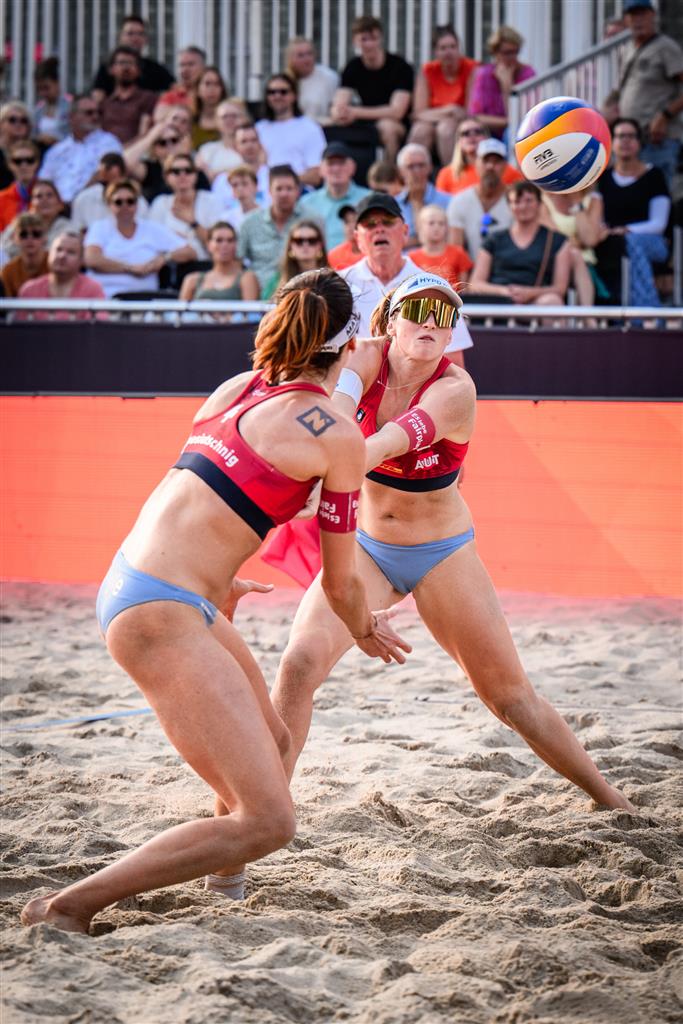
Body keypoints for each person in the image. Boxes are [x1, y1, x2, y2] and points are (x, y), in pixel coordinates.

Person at [20, 268, 409, 935]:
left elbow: (200, 486)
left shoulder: (239, 387)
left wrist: (219, 579)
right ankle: (66, 908)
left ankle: (223, 883)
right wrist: (363, 627)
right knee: (270, 821)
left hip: (143, 580)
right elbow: (340, 582)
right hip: (160, 612)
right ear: (351, 344)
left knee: (276, 740)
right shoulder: (334, 433)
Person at [260, 272, 635, 848]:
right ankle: (264, 811)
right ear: (392, 319)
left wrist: (329, 468)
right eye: (419, 311)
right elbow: (336, 410)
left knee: (509, 698)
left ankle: (611, 799)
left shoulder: (455, 389)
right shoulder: (364, 356)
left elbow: (386, 443)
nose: (431, 323)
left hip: (441, 553)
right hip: (369, 548)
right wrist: (317, 456)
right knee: (298, 665)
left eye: (445, 315)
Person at [340, 192, 473, 367]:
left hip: (414, 383)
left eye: (387, 221)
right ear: (357, 237)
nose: (379, 229)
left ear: (405, 232)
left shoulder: (434, 288)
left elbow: (453, 364)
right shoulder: (338, 286)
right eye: (370, 224)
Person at [595, 118, 671, 307]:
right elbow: (597, 217)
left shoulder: (654, 176)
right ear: (612, 142)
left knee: (632, 243)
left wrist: (626, 230)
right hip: (612, 242)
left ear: (639, 142)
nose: (626, 141)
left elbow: (659, 224)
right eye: (620, 136)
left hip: (652, 242)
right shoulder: (603, 178)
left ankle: (647, 313)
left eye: (631, 136)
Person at [84, 178, 194, 298]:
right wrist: (129, 268)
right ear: (109, 205)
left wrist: (163, 259)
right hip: (106, 297)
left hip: (145, 299)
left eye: (130, 201)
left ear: (137, 204)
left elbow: (189, 252)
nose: (125, 206)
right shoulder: (100, 227)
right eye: (118, 202)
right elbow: (91, 259)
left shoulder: (151, 228)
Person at [468, 181, 570, 306]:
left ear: (539, 204)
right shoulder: (493, 239)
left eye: (528, 201)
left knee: (552, 301)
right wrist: (505, 291)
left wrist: (530, 293)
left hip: (535, 302)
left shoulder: (557, 240)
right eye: (517, 202)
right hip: (498, 302)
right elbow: (475, 283)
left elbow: (560, 288)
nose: (522, 206)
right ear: (509, 206)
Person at [616, 0, 683, 188]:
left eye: (642, 14)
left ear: (653, 15)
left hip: (657, 140)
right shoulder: (629, 48)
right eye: (633, 15)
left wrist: (664, 116)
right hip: (633, 140)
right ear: (626, 20)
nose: (638, 20)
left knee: (658, 196)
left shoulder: (665, 47)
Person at [332, 15, 414, 163]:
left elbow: (397, 111)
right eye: (364, 39)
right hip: (365, 121)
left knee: (388, 128)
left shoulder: (400, 66)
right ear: (355, 41)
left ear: (380, 39)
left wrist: (355, 112)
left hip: (398, 124)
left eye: (373, 39)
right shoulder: (352, 67)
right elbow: (340, 100)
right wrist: (339, 112)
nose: (369, 44)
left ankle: (389, 172)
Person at [408, 24, 478, 167]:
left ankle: (451, 174)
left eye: (453, 47)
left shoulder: (472, 68)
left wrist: (447, 114)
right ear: (435, 52)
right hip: (434, 121)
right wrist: (450, 110)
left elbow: (468, 112)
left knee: (446, 129)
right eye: (443, 48)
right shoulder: (427, 70)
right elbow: (418, 113)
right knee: (420, 130)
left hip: (462, 121)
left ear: (459, 48)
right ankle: (409, 174)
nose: (449, 52)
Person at [39, 94, 122, 203]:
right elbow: (44, 181)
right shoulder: (56, 151)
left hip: (93, 202)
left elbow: (107, 174)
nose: (95, 117)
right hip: (57, 207)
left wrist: (77, 200)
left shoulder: (109, 143)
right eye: (89, 113)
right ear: (72, 116)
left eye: (98, 112)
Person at [237, 164, 304, 290]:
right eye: (279, 189)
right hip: (257, 294)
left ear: (298, 191)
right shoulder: (250, 222)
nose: (284, 194)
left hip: (300, 291)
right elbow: (237, 260)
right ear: (269, 191)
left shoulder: (312, 219)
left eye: (289, 188)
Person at [149, 152, 223, 260]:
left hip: (205, 263)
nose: (182, 175)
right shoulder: (160, 203)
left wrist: (193, 223)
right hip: (170, 264)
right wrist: (176, 241)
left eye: (188, 170)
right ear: (166, 177)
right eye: (176, 171)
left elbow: (220, 244)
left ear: (196, 174)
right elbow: (152, 240)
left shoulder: (211, 201)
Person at [255, 73, 326, 187]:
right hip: (260, 192)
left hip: (299, 191)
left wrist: (282, 182)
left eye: (283, 92)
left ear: (294, 95)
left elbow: (316, 175)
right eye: (271, 92)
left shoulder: (309, 128)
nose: (277, 96)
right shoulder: (258, 128)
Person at [447, 138, 513, 259]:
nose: (490, 166)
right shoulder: (460, 201)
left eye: (496, 162)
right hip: (471, 268)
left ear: (505, 166)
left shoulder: (516, 200)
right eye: (485, 160)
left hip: (509, 267)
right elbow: (455, 250)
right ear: (476, 164)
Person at [16, 230, 105, 318]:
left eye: (71, 252)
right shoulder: (29, 290)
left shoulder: (93, 290)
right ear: (49, 254)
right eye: (58, 250)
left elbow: (97, 325)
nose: (62, 256)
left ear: (81, 261)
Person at [468, 25, 536, 140]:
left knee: (512, 132)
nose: (512, 57)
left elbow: (523, 117)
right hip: (489, 132)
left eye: (515, 52)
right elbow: (476, 116)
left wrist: (506, 85)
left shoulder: (527, 73)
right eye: (507, 53)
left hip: (517, 131)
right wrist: (508, 122)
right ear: (495, 53)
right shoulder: (484, 74)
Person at [539, 189, 606, 306]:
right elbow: (555, 240)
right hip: (553, 260)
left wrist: (577, 204)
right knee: (573, 253)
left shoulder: (593, 200)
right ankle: (587, 311)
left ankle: (585, 311)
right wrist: (580, 243)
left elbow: (589, 240)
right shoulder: (543, 200)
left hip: (585, 263)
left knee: (575, 255)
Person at [299, 142, 369, 249]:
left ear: (353, 167)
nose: (336, 169)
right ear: (321, 169)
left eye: (341, 163)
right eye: (330, 164)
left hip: (358, 257)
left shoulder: (369, 199)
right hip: (318, 258)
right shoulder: (306, 203)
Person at [123, 114, 207, 203]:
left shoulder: (193, 168)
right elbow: (123, 163)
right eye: (162, 143)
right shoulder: (149, 169)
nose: (169, 145)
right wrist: (150, 137)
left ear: (181, 142)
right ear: (154, 149)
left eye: (174, 140)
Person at [91, 14, 174, 99]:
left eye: (140, 34)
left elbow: (175, 90)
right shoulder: (106, 68)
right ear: (121, 37)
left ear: (146, 39)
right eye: (130, 34)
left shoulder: (157, 70)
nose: (135, 38)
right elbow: (98, 98)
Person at [178, 220, 259, 308]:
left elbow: (250, 312)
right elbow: (180, 313)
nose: (225, 245)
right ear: (209, 245)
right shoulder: (192, 280)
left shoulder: (247, 278)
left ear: (236, 245)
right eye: (219, 240)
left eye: (230, 240)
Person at [435, 117, 523, 195]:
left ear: (486, 137)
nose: (472, 136)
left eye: (477, 132)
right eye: (466, 133)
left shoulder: (505, 170)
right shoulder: (446, 174)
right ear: (459, 141)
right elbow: (440, 205)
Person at [71, 152, 150, 232]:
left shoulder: (139, 203)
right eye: (106, 183)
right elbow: (77, 231)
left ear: (124, 176)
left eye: (116, 183)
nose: (111, 188)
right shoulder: (83, 199)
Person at [1, 178, 72, 266]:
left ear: (60, 204)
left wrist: (22, 246)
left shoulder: (67, 227)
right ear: (31, 206)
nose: (44, 200)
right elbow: (3, 247)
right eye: (39, 196)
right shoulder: (20, 222)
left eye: (49, 195)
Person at [98, 46, 157, 144]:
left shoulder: (148, 98)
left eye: (130, 63)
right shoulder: (104, 104)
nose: (126, 68)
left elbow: (144, 135)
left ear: (138, 70)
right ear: (111, 69)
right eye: (121, 63)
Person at [395, 143, 450, 246]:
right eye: (410, 166)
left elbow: (451, 240)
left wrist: (408, 241)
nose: (417, 171)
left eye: (421, 165)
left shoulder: (448, 201)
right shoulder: (393, 205)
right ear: (401, 171)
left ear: (430, 167)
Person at [261, 219, 328, 299]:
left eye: (312, 241)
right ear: (290, 246)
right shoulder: (277, 280)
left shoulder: (331, 279)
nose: (305, 245)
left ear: (320, 245)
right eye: (299, 241)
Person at [211, 122, 270, 209]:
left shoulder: (272, 176)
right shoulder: (222, 182)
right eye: (244, 141)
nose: (249, 145)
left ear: (260, 144)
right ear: (235, 147)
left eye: (253, 140)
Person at [409, 204, 472, 287]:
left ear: (447, 227)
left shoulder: (458, 253)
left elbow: (465, 289)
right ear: (420, 226)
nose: (436, 227)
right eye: (431, 223)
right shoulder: (411, 258)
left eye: (441, 223)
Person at [285, 37, 339, 124]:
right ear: (290, 59)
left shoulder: (329, 77)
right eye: (300, 55)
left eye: (309, 53)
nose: (307, 59)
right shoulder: (285, 81)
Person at [196, 98, 248, 181]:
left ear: (244, 119)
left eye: (234, 116)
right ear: (216, 121)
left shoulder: (257, 147)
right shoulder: (206, 150)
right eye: (224, 117)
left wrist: (219, 174)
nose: (229, 120)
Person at [0, 212, 48, 296]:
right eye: (23, 234)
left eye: (36, 234)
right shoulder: (8, 271)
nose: (30, 239)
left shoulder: (55, 265)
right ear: (14, 238)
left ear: (45, 238)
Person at [0, 140, 40, 230]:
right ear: (9, 165)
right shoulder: (1, 199)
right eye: (17, 161)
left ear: (37, 163)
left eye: (30, 161)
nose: (24, 166)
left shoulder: (48, 196)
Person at [33, 58, 71, 146]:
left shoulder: (70, 105)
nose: (43, 93)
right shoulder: (38, 109)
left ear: (57, 83)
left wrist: (55, 140)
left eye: (46, 88)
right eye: (39, 89)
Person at [157, 46, 207, 111]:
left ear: (203, 67)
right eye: (182, 65)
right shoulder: (170, 97)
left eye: (190, 64)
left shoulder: (212, 94)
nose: (184, 70)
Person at [191, 67, 229, 149]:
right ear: (197, 90)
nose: (212, 89)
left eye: (216, 84)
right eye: (207, 84)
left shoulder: (230, 120)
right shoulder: (190, 122)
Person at [214, 164, 260, 231]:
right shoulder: (226, 220)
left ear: (256, 187)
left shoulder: (267, 216)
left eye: (244, 183)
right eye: (235, 185)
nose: (240, 189)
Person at [0, 102, 33, 188]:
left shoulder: (38, 150)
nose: (18, 124)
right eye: (12, 120)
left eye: (24, 121)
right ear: (1, 124)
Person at [327, 204, 362, 271]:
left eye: (355, 221)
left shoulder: (374, 253)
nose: (351, 226)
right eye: (346, 222)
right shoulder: (334, 256)